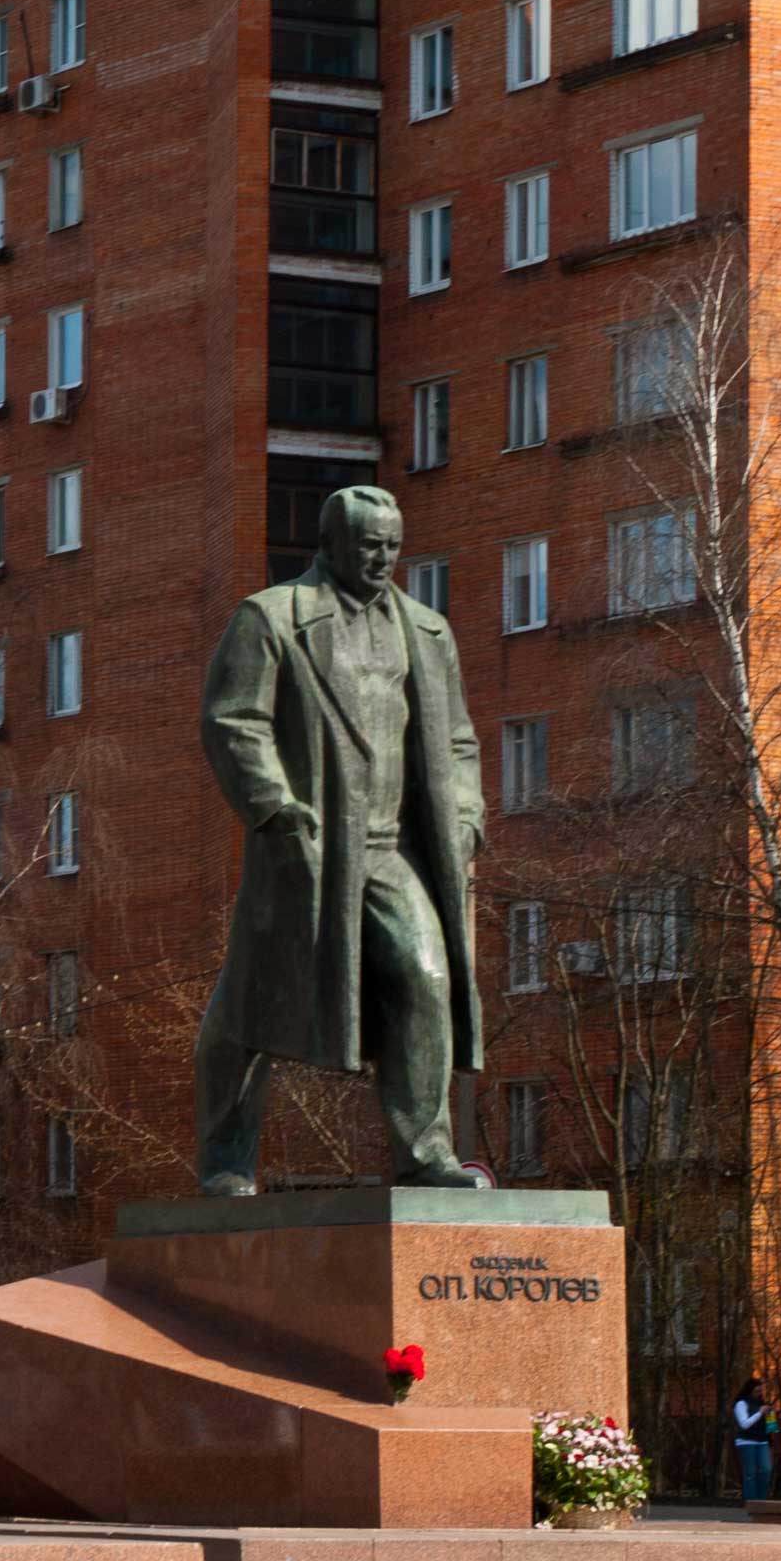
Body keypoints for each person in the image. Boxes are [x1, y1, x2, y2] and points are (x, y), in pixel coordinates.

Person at [193, 483, 487, 1194]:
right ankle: (227, 1161)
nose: (382, 558)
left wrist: (468, 817)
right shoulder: (273, 617)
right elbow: (235, 721)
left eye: (392, 545)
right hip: (310, 843)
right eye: (367, 545)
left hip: (396, 849)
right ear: (329, 545)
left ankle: (424, 1154)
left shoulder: (426, 631)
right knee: (256, 1008)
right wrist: (273, 807)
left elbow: (457, 741)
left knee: (424, 977)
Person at [729, 1377, 776, 1510]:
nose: (758, 1394)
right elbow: (744, 1424)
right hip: (746, 1441)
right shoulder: (741, 1404)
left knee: (766, 1470)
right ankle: (751, 1502)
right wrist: (760, 1413)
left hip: (762, 1441)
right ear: (749, 1390)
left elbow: (771, 1427)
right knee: (750, 1473)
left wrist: (771, 1417)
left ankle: (761, 1502)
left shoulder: (762, 1404)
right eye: (756, 1391)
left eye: (760, 1392)